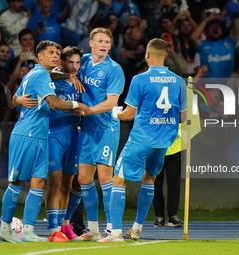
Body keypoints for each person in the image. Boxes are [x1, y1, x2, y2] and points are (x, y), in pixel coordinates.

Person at [0, 40, 89, 243]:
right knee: (17, 183)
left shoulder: (41, 75)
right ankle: (4, 229)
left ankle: (28, 230)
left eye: (58, 52)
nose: (56, 56)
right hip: (26, 135)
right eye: (51, 53)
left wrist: (18, 100)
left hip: (40, 136)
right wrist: (76, 104)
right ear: (40, 56)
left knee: (39, 182)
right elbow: (53, 103)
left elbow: (15, 97)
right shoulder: (39, 74)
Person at [101, 38, 187, 242]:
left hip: (141, 139)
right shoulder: (179, 81)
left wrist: (115, 113)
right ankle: (137, 229)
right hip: (164, 142)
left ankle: (115, 233)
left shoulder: (140, 80)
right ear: (166, 56)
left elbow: (129, 114)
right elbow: (183, 118)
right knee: (149, 179)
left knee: (119, 179)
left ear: (147, 55)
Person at [74, 27, 125, 241]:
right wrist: (70, 76)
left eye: (107, 42)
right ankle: (93, 229)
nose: (104, 45)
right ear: (91, 43)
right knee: (84, 178)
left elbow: (112, 102)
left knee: (105, 177)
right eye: (100, 41)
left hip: (106, 128)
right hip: (86, 129)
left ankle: (114, 230)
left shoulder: (114, 69)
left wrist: (87, 110)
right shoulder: (83, 61)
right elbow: (64, 69)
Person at [45, 46, 83, 242]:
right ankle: (52, 230)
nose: (75, 67)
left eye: (78, 62)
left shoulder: (81, 81)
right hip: (54, 134)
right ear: (62, 63)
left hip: (73, 135)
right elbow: (45, 73)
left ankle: (64, 226)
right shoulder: (53, 77)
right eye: (71, 62)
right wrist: (67, 75)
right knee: (55, 182)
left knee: (68, 184)